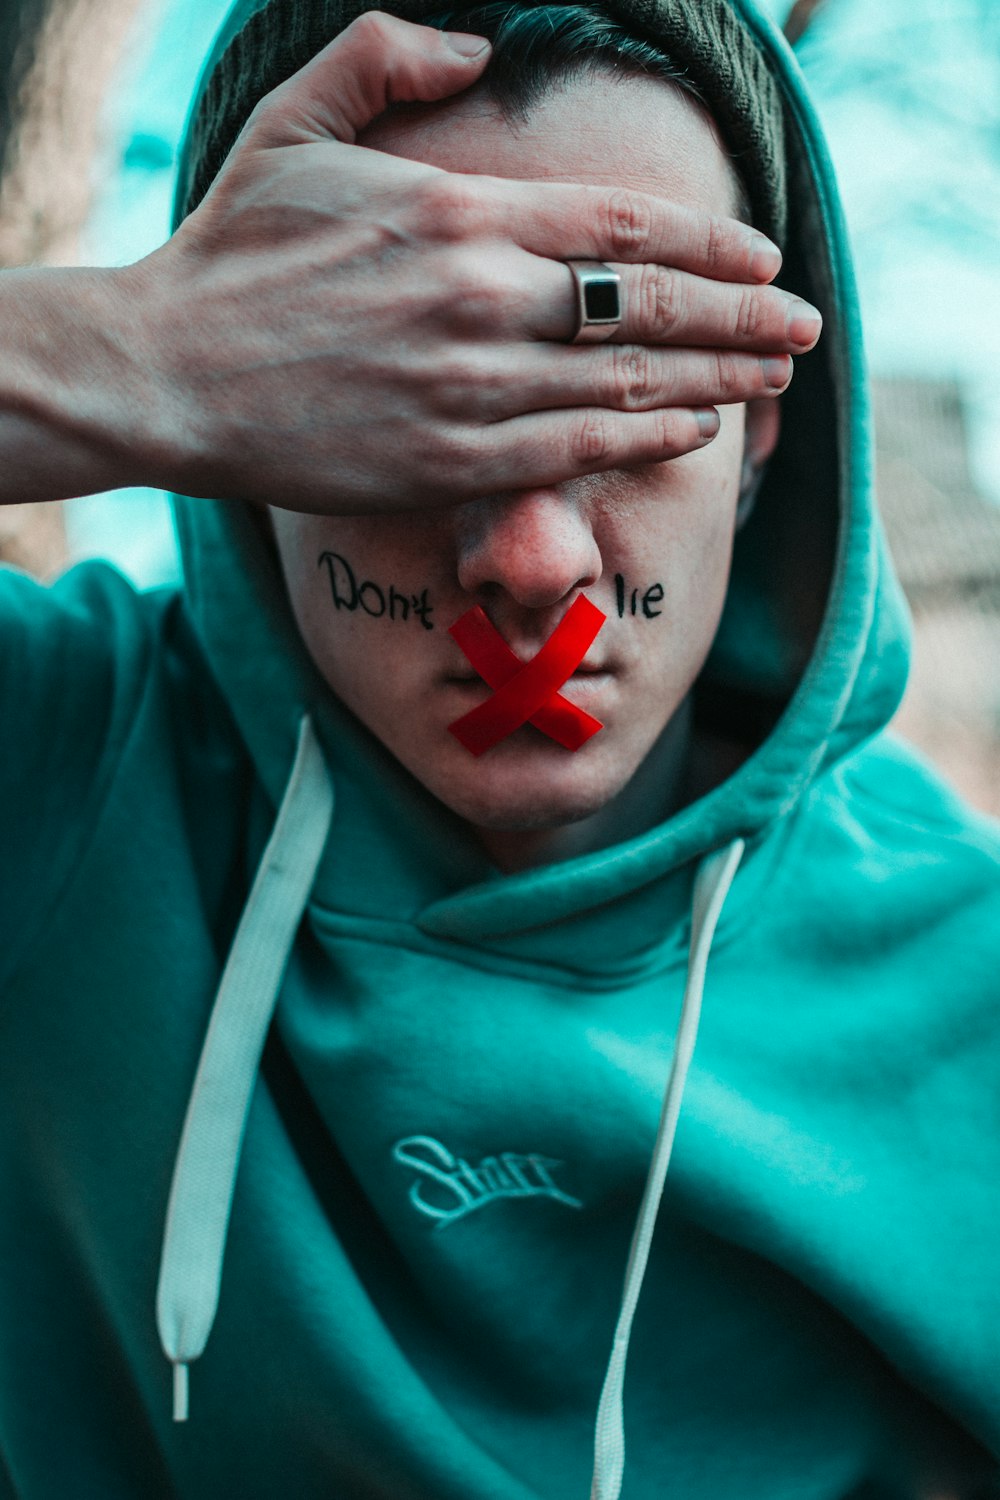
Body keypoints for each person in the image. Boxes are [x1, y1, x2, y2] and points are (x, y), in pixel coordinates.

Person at [1, 0, 998, 1497]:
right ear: (235, 433)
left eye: (627, 401)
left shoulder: (969, 988)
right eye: (405, 411)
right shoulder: (64, 769)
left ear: (764, 435)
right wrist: (125, 350)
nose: (531, 567)